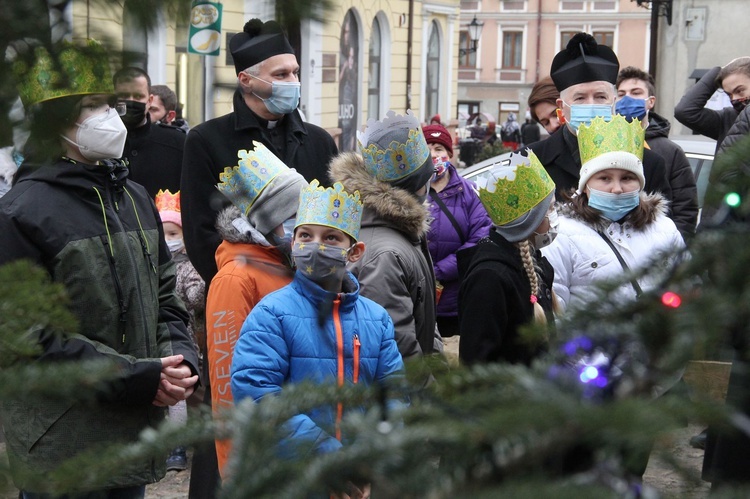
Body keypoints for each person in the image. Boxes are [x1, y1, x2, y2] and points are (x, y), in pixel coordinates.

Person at [1, 40, 200, 497]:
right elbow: (26, 337)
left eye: (109, 104)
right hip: (63, 446)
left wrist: (180, 364)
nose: (109, 117)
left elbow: (165, 296)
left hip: (131, 435)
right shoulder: (20, 213)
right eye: (92, 107)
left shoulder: (134, 197)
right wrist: (136, 378)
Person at [230, 180, 404, 497]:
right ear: (293, 243)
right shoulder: (271, 314)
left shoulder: (376, 319)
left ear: (355, 252)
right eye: (305, 235)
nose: (315, 245)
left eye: (331, 237)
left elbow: (394, 395)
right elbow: (257, 394)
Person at [181, 18, 338, 285]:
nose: (293, 82)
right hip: (247, 293)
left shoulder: (319, 141)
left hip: (316, 292)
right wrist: (241, 285)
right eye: (281, 74)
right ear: (246, 80)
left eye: (295, 72)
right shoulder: (206, 140)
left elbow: (336, 219)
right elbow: (201, 235)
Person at [206, 141, 306, 478]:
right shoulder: (235, 279)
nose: (301, 225)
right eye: (293, 217)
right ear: (268, 222)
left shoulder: (292, 265)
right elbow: (227, 384)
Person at [542, 115, 686, 312]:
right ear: (585, 187)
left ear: (640, 183)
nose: (617, 188)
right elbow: (555, 308)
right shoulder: (561, 234)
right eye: (604, 178)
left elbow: (688, 289)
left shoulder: (665, 229)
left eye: (627, 178)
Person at [329, 110, 442, 359]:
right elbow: (396, 343)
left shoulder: (401, 231)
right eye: (429, 177)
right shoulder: (385, 255)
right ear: (418, 184)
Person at [527, 33, 672, 203]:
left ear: (614, 102)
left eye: (600, 97)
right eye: (580, 98)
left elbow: (663, 225)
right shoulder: (532, 162)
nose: (591, 105)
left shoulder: (648, 163)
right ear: (562, 107)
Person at [457, 151, 558, 365]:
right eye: (549, 210)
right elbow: (477, 362)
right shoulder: (489, 278)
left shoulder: (531, 261)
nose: (554, 217)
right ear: (530, 221)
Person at [422, 123, 492, 337]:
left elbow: (480, 237)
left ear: (450, 154)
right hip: (418, 299)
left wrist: (439, 271)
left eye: (438, 149)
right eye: (426, 148)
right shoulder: (409, 192)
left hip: (456, 301)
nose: (433, 155)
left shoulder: (469, 193)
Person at [616, 66, 699, 238]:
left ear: (650, 101)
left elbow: (685, 210)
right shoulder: (604, 144)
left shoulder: (670, 151)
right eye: (621, 94)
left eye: (636, 92)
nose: (627, 99)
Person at [155, 189, 205, 472]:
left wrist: (199, 286)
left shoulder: (188, 268)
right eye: (163, 233)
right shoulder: (152, 266)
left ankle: (177, 446)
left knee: (178, 394)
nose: (167, 240)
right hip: (154, 336)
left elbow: (196, 298)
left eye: (173, 233)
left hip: (181, 337)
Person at [114, 67, 186, 199]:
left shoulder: (177, 144)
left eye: (138, 96)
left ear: (149, 100)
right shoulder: (99, 145)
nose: (131, 101)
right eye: (124, 96)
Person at [674, 56, 750, 155]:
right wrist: (721, 71)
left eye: (739, 91)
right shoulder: (729, 120)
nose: (734, 99)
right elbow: (685, 111)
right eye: (729, 95)